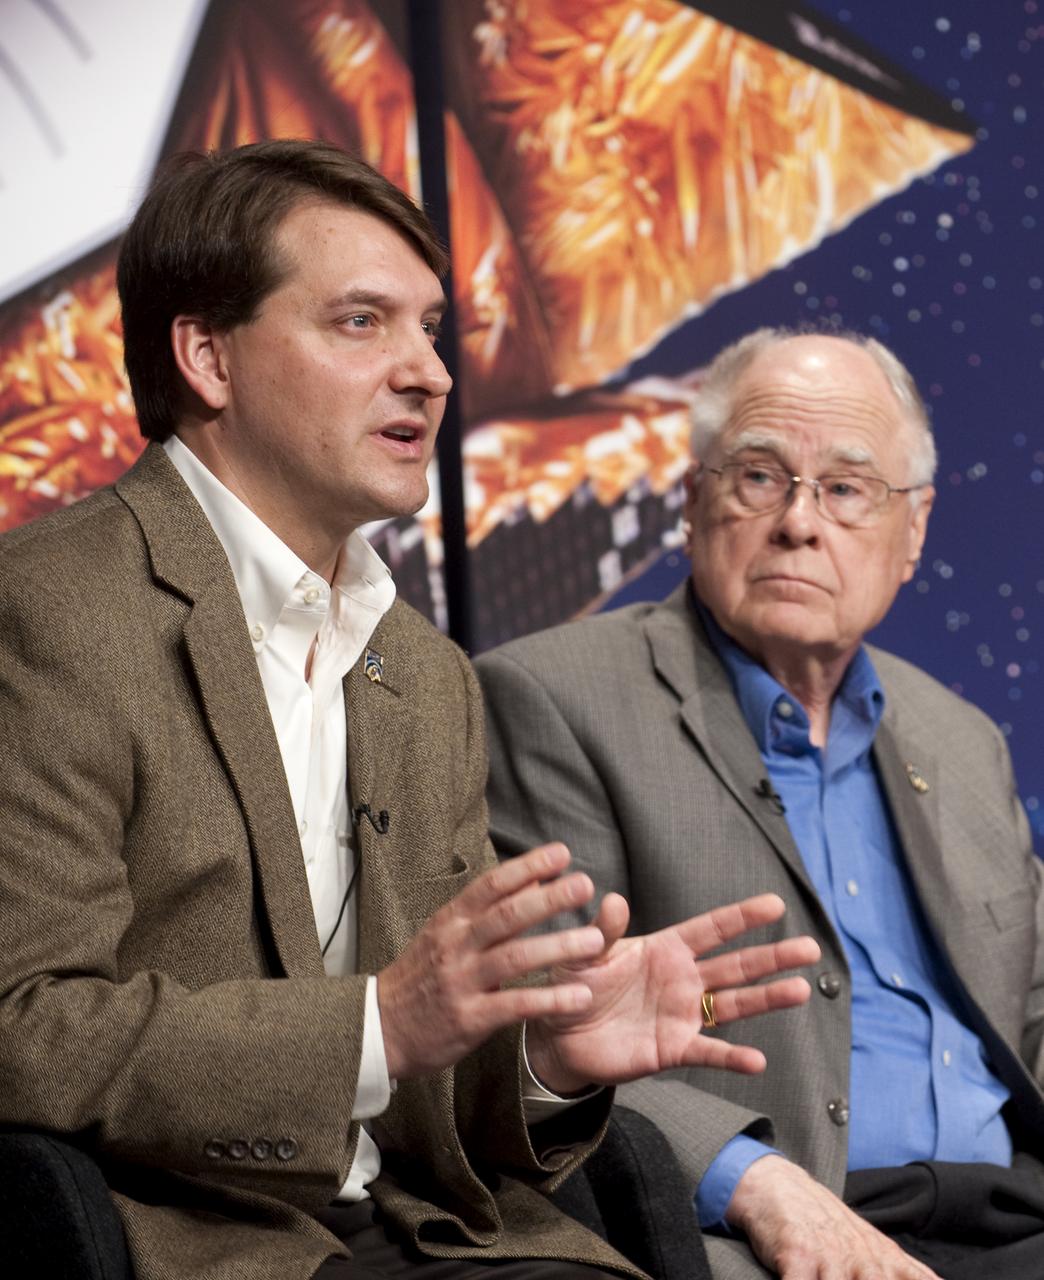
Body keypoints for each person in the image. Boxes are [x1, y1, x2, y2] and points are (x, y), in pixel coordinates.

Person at [0, 144, 821, 1280]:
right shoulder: (46, 606)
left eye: (432, 328)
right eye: (361, 323)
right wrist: (378, 1023)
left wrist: (543, 1057)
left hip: (440, 1233)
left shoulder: (425, 671)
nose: (429, 372)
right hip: (197, 1241)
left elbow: (422, 1070)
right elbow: (24, 1025)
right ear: (206, 356)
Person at [477, 328, 1044, 1280]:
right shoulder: (553, 700)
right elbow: (541, 1039)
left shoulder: (962, 739)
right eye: (759, 477)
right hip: (769, 1225)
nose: (800, 523)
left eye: (848, 488)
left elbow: (1030, 1010)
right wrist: (756, 1180)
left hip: (1015, 1208)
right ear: (693, 502)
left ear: (913, 533)